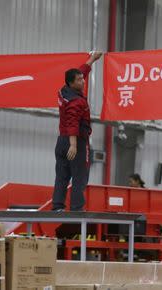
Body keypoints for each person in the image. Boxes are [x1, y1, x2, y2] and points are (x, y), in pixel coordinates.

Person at [52, 52, 103, 212]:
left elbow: (81, 72)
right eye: (79, 80)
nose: (83, 81)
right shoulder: (77, 102)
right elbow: (73, 123)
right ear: (71, 83)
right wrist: (73, 145)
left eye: (82, 78)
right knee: (80, 177)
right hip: (76, 142)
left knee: (62, 175)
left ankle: (57, 206)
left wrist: (92, 60)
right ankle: (76, 209)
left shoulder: (64, 91)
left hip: (61, 140)